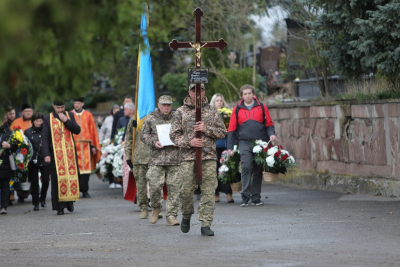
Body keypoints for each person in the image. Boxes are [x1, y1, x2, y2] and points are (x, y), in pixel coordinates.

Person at [170, 83, 227, 236]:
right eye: (194, 91)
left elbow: (222, 132)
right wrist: (189, 142)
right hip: (188, 157)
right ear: (189, 92)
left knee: (208, 190)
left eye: (200, 90)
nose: (197, 93)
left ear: (204, 91)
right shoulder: (181, 112)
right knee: (186, 190)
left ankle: (206, 223)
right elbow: (173, 135)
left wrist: (206, 129)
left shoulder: (212, 111)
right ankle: (187, 214)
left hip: (208, 156)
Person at [227, 84, 276, 207]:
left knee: (257, 169)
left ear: (253, 94)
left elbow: (269, 124)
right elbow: (232, 129)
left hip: (260, 142)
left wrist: (272, 135)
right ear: (242, 96)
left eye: (249, 93)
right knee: (246, 167)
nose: (248, 95)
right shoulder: (237, 109)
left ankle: (256, 197)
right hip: (244, 142)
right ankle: (245, 196)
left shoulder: (262, 107)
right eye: (245, 94)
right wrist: (230, 147)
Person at [140, 95, 181, 226]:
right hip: (156, 159)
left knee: (174, 188)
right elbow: (143, 135)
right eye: (164, 105)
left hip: (174, 159)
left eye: (168, 105)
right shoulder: (151, 119)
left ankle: (172, 216)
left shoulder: (177, 118)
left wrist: (178, 141)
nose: (166, 107)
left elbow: (185, 133)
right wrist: (154, 142)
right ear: (159, 105)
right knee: (154, 185)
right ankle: (156, 207)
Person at [42, 100, 81, 215]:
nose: (60, 110)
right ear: (53, 106)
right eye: (58, 108)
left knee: (70, 178)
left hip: (69, 155)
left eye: (62, 107)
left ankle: (70, 203)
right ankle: (59, 207)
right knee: (57, 180)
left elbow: (77, 130)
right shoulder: (47, 118)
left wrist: (66, 121)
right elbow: (45, 138)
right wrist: (46, 154)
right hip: (55, 155)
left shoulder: (70, 115)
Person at [71, 97, 101, 198]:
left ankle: (85, 190)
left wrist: (93, 146)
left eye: (78, 103)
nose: (76, 105)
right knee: (75, 169)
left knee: (86, 169)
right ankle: (75, 190)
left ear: (82, 104)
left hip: (86, 145)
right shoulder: (70, 114)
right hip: (73, 145)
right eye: (75, 103)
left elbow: (92, 130)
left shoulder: (88, 115)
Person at [125, 117, 151, 219]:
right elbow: (129, 139)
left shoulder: (156, 117)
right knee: (140, 186)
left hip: (155, 157)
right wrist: (128, 157)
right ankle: (143, 208)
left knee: (156, 185)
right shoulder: (134, 119)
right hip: (138, 158)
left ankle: (155, 207)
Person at [210, 93, 234, 203]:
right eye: (217, 100)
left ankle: (229, 193)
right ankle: (216, 193)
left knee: (226, 169)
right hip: (214, 145)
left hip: (225, 144)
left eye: (221, 100)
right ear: (213, 102)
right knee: (214, 170)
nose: (219, 102)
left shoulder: (228, 113)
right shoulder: (209, 113)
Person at [25, 112, 50, 211]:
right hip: (33, 160)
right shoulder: (27, 132)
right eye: (37, 121)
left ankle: (42, 198)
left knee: (46, 181)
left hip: (44, 159)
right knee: (34, 182)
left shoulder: (46, 131)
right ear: (33, 121)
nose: (39, 123)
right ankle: (35, 203)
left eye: (40, 121)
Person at [0, 119, 18, 214]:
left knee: (4, 185)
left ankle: (4, 207)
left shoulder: (9, 133)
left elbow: (16, 146)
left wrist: (9, 146)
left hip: (5, 162)